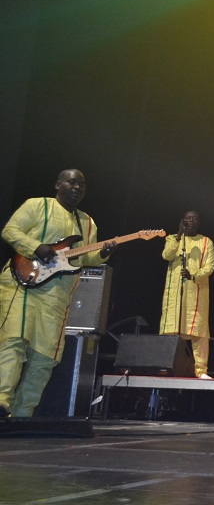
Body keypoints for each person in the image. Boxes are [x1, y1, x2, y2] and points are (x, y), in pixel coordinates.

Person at [0, 169, 117, 417]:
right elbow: (10, 231)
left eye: (81, 185)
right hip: (23, 285)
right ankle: (1, 401)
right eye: (71, 182)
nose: (77, 187)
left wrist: (103, 253)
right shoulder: (37, 206)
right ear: (57, 184)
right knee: (14, 342)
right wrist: (36, 247)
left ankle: (22, 414)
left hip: (57, 296)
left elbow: (86, 258)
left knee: (45, 357)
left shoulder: (87, 222)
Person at [160, 210, 214, 379]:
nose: (191, 221)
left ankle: (201, 370)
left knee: (198, 329)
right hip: (175, 292)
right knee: (171, 327)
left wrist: (193, 275)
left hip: (196, 291)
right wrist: (178, 235)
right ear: (182, 221)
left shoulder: (206, 242)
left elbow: (209, 267)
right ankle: (165, 365)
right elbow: (166, 255)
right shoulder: (171, 238)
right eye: (187, 218)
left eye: (194, 219)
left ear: (199, 222)